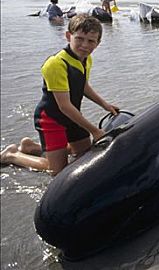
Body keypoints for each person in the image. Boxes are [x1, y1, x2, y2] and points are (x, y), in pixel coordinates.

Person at [1, 14, 119, 175]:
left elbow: (83, 85)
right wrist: (94, 130)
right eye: (79, 38)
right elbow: (63, 106)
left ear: (98, 44)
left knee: (85, 154)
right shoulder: (56, 64)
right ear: (68, 36)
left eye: (91, 41)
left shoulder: (86, 59)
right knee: (57, 171)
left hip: (72, 115)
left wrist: (105, 104)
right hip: (51, 119)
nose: (84, 45)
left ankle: (31, 147)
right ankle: (12, 155)